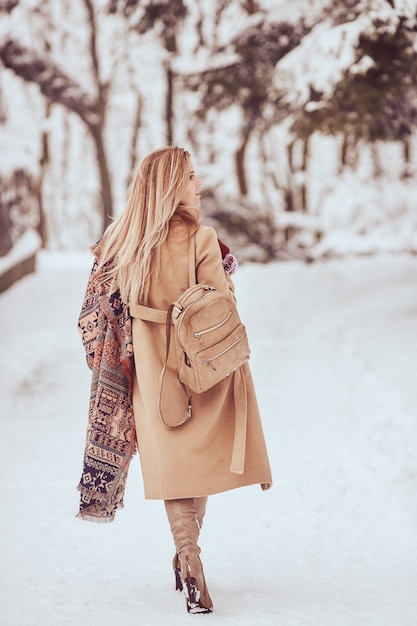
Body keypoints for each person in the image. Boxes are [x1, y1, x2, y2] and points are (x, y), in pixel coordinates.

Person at [78, 146, 272, 614]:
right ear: (170, 186)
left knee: (176, 465)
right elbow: (221, 304)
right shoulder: (202, 239)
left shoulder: (120, 244)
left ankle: (188, 557)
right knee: (198, 462)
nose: (198, 184)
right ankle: (189, 557)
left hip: (150, 372)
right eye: (190, 177)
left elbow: (92, 312)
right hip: (202, 367)